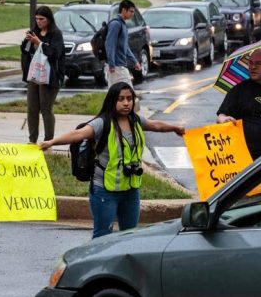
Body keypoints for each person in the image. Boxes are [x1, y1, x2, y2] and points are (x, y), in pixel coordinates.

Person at [39, 82, 184, 238]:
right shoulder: (103, 122)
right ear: (112, 100)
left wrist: (174, 128)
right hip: (105, 191)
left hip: (130, 190)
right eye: (121, 99)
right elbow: (78, 134)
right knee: (102, 237)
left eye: (129, 99)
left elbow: (156, 125)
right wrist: (51, 142)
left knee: (129, 236)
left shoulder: (135, 121)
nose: (126, 103)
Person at [21, 6, 65, 144]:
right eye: (37, 19)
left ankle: (48, 141)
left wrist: (39, 43)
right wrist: (27, 41)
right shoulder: (35, 32)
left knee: (46, 108)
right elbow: (25, 50)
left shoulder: (56, 34)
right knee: (32, 108)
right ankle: (32, 140)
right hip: (34, 75)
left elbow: (54, 53)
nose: (39, 22)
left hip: (50, 77)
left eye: (42, 19)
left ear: (49, 19)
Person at [105, 0, 141, 87]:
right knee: (127, 93)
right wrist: (112, 64)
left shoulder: (122, 24)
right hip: (116, 67)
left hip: (121, 65)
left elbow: (125, 47)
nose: (132, 14)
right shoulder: (116, 24)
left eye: (133, 12)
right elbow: (110, 44)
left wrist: (134, 61)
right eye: (131, 11)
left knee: (118, 96)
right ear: (124, 10)